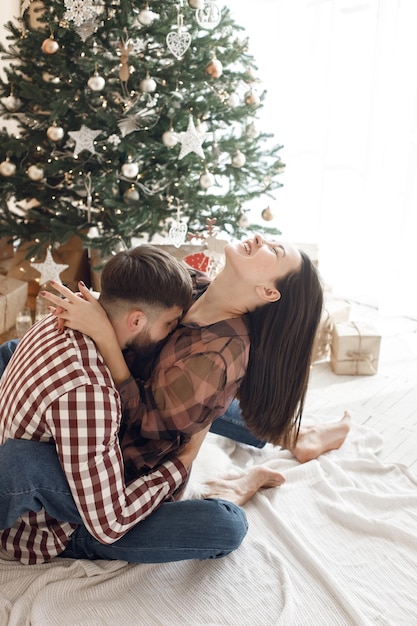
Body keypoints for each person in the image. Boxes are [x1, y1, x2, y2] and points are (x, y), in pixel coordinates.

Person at [0, 245, 250, 565]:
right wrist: (180, 464)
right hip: (63, 525)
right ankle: (239, 482)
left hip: (82, 459)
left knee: (186, 400)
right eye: (171, 325)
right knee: (229, 523)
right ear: (136, 320)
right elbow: (110, 523)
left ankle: (279, 431)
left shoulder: (74, 309)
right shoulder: (91, 396)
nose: (171, 336)